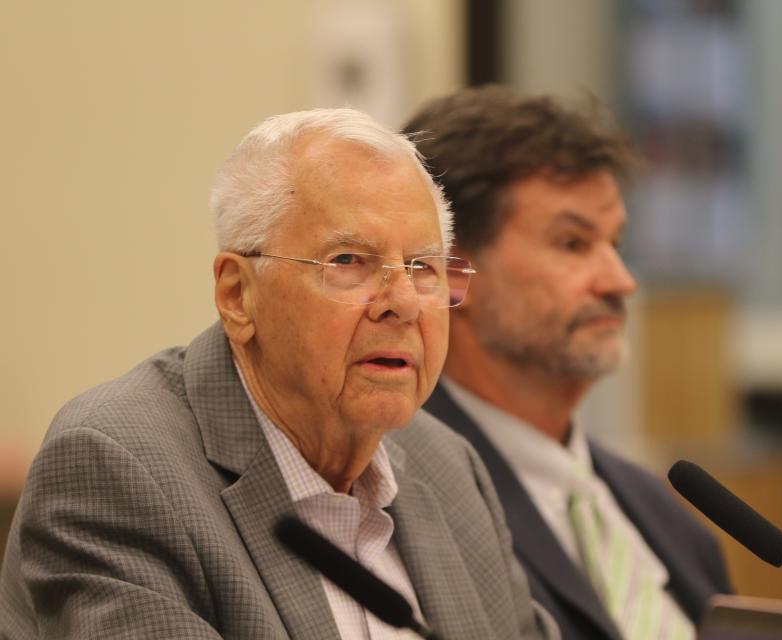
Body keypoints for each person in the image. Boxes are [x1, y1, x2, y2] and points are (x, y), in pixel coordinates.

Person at [1, 108, 558, 640]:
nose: (404, 303)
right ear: (238, 295)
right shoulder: (115, 466)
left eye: (424, 267)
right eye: (348, 262)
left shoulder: (449, 468)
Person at [403, 86, 732, 640]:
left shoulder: (670, 519)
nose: (619, 281)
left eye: (616, 243)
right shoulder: (399, 506)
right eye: (573, 244)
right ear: (452, 273)